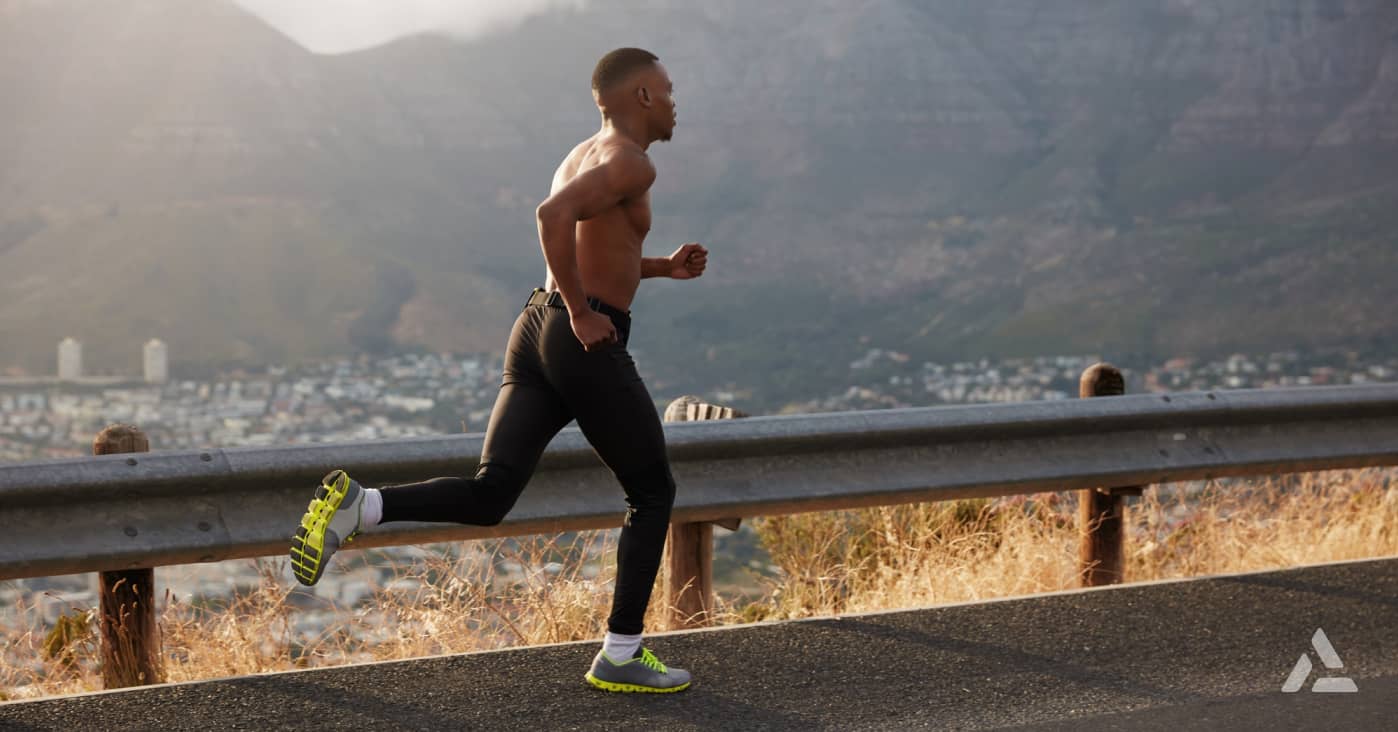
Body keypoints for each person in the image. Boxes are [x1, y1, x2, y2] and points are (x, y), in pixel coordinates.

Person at [289, 47, 705, 693]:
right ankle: (621, 653)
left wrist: (660, 267)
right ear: (643, 95)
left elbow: (597, 243)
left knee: (492, 494)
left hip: (533, 329)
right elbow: (552, 219)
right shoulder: (630, 160)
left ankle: (362, 506)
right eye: (669, 89)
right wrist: (581, 312)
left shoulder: (586, 152)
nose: (677, 101)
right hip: (577, 332)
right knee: (652, 493)